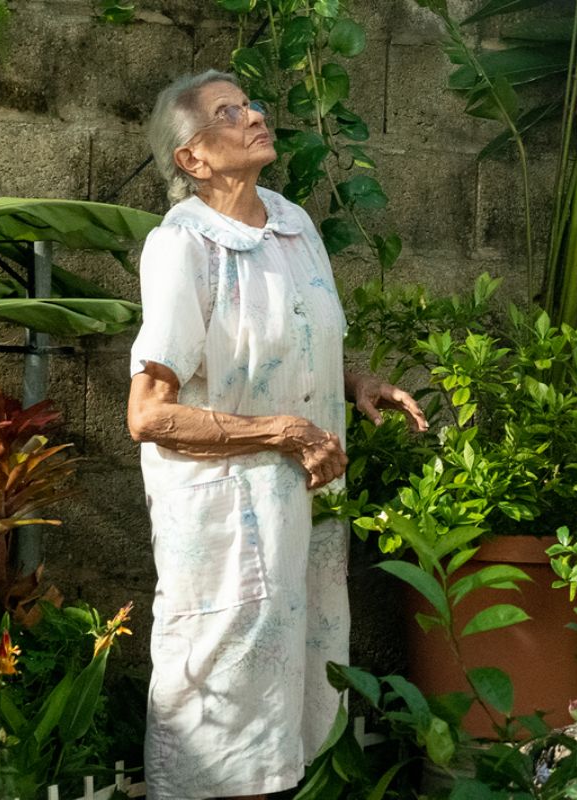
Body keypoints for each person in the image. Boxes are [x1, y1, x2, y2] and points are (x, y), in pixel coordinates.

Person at [126, 69, 427, 800]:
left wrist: (353, 383)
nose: (254, 115)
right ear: (192, 158)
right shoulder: (185, 247)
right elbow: (149, 413)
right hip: (227, 524)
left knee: (284, 717)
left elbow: (287, 337)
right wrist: (286, 429)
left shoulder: (294, 225)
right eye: (228, 113)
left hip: (301, 513)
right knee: (218, 708)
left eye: (250, 103)